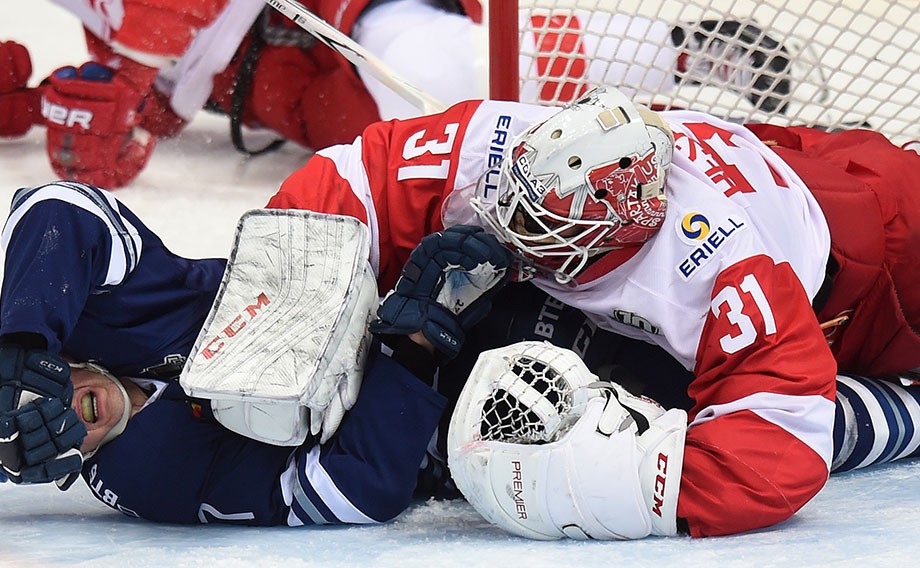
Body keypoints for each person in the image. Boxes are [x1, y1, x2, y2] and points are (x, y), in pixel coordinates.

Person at [264, 85, 920, 539]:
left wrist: (587, 483)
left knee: (803, 412)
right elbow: (359, 171)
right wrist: (293, 307)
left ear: (620, 231)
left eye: (541, 226)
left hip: (884, 277)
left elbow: (784, 449)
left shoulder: (722, 268)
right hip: (804, 156)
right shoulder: (532, 153)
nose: (508, 228)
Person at [0, 180, 515, 525]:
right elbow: (354, 486)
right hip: (462, 425)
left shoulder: (102, 316)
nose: (63, 412)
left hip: (389, 280)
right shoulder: (146, 471)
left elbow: (57, 208)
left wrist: (21, 336)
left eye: (39, 396)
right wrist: (412, 349)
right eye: (46, 436)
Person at [1, 0, 793, 188]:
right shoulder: (96, 21)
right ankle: (676, 122)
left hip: (342, 11)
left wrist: (133, 77)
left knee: (443, 68)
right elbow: (154, 98)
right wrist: (60, 108)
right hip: (277, 85)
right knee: (431, 142)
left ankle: (677, 61)